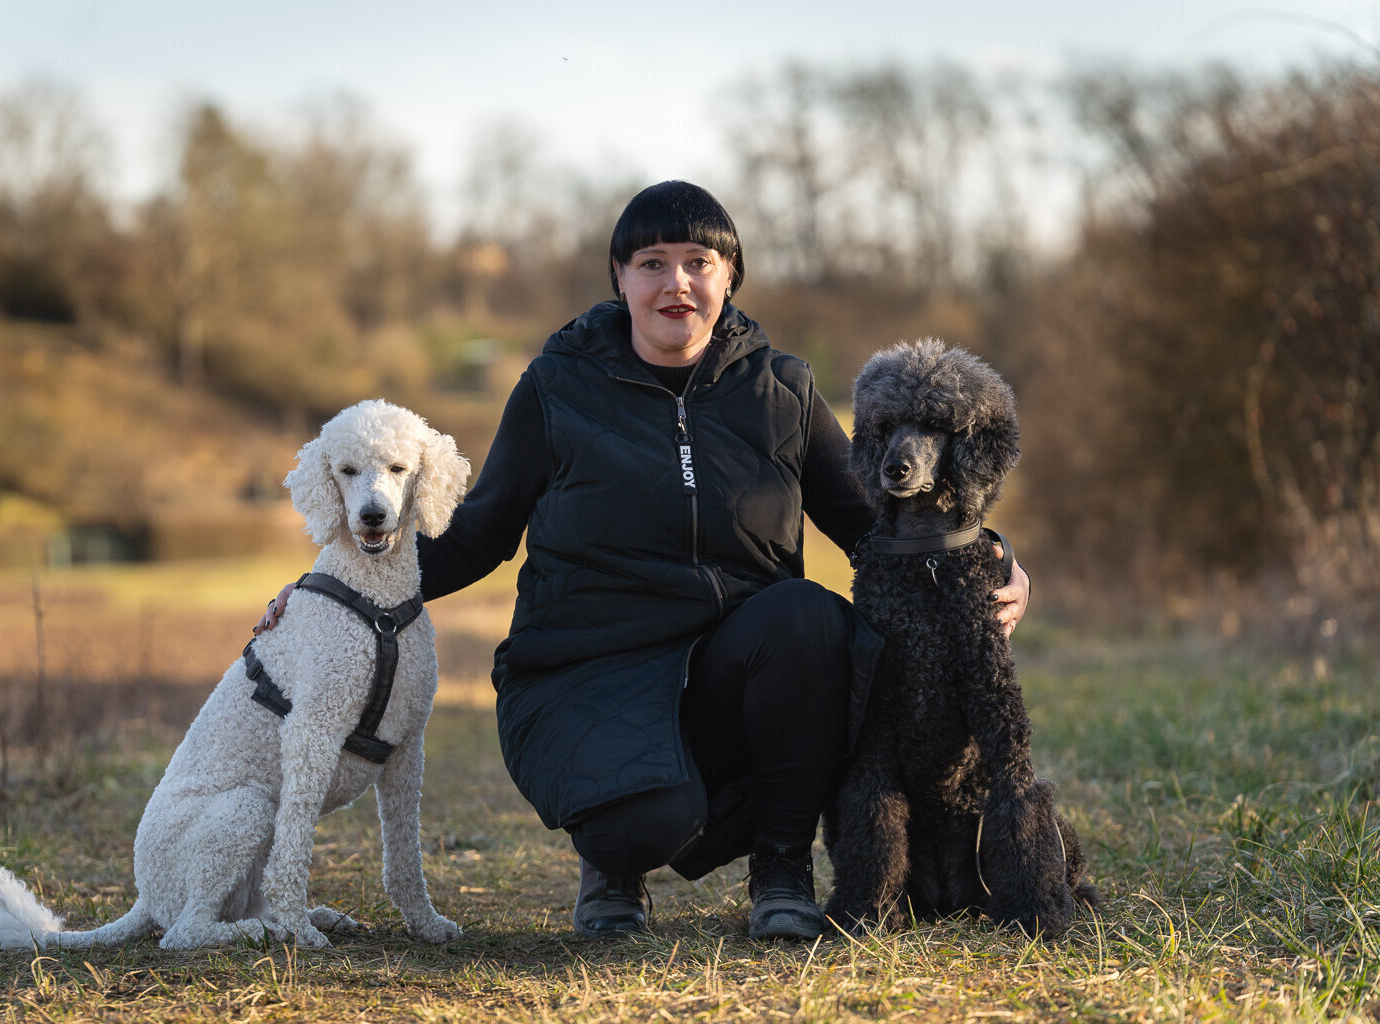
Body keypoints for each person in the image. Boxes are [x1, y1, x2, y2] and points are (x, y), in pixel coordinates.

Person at [257, 180, 1030, 939]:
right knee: (646, 824)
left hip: (735, 673)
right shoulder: (556, 386)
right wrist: (329, 589)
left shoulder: (783, 390)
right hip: (583, 675)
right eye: (652, 263)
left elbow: (882, 526)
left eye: (698, 262)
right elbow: (478, 534)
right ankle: (611, 868)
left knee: (811, 618)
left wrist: (991, 559)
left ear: (730, 276)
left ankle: (782, 867)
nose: (676, 283)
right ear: (619, 279)